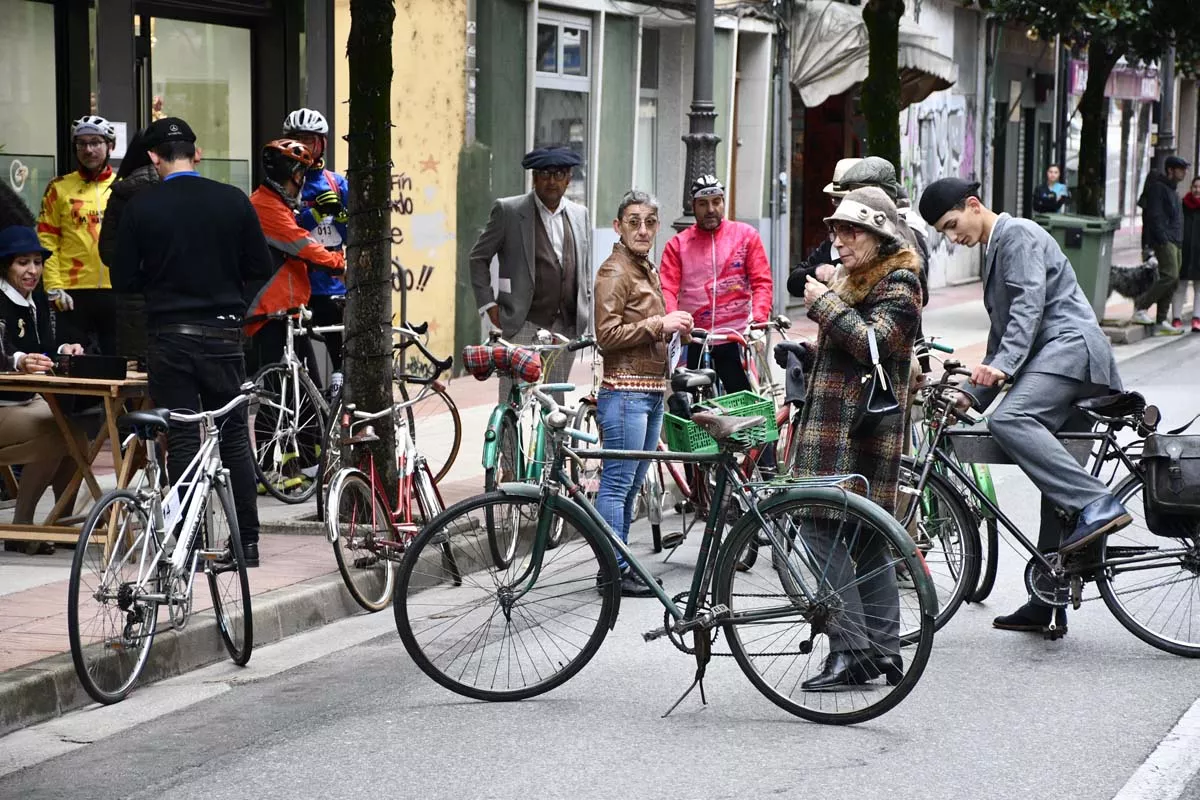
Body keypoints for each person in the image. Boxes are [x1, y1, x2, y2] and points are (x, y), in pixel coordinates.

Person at [919, 177, 1129, 634]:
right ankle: (1044, 599)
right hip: (1065, 361)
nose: (953, 238)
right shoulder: (999, 247)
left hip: (1070, 351)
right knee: (1054, 488)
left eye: (952, 225)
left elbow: (1028, 309)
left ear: (974, 205)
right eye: (944, 232)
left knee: (1012, 421)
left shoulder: (1017, 235)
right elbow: (1000, 338)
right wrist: (972, 395)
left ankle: (1098, 503)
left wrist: (1005, 368)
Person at [112, 117, 274, 567]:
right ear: (195, 154)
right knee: (234, 437)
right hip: (223, 333)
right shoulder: (232, 200)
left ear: (152, 157)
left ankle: (188, 542)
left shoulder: (141, 207)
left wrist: (160, 283)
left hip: (170, 336)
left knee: (182, 437)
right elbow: (259, 264)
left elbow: (123, 278)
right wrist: (230, 296)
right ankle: (248, 544)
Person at [793, 186, 922, 690]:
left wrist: (825, 306)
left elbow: (874, 343)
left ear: (878, 235)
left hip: (860, 431)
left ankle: (851, 650)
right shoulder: (856, 278)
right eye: (837, 232)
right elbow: (851, 347)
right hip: (840, 425)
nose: (838, 243)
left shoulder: (901, 282)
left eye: (850, 233)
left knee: (820, 527)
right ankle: (884, 651)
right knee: (864, 536)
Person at [593, 191, 692, 597]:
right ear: (618, 226)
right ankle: (612, 570)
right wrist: (659, 324)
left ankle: (619, 565)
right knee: (617, 485)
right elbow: (606, 335)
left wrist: (673, 329)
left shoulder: (642, 267)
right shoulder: (615, 270)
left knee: (631, 485)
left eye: (650, 221)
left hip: (648, 392)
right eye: (633, 221)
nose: (643, 229)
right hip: (625, 392)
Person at [468, 146, 593, 404]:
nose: (551, 181)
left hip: (565, 326)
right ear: (534, 177)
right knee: (512, 401)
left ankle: (552, 447)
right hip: (522, 322)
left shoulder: (580, 214)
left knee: (555, 401)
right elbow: (478, 258)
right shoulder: (509, 211)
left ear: (569, 178)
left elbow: (585, 268)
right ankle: (507, 445)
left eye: (558, 174)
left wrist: (586, 305)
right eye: (544, 174)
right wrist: (489, 306)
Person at [0, 216, 87, 552]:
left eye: (36, 262)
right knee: (55, 431)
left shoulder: (37, 303)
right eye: (23, 263)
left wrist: (65, 350)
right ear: (6, 267)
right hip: (5, 404)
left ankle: (59, 521)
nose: (32, 270)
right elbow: (9, 355)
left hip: (27, 401)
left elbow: (47, 350)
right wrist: (18, 361)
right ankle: (22, 527)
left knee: (78, 435)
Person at [660, 175, 773, 392]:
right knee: (689, 407)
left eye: (716, 201)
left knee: (743, 405)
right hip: (692, 339)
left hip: (735, 336)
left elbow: (762, 282)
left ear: (723, 202)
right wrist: (674, 323)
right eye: (703, 204)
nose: (710, 209)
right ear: (693, 206)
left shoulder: (747, 236)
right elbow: (667, 288)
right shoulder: (678, 244)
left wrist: (758, 320)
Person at [244, 139, 346, 374]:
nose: (304, 181)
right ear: (294, 176)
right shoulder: (266, 207)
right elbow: (304, 246)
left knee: (299, 399)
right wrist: (341, 267)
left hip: (284, 312)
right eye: (302, 173)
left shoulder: (276, 203)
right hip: (269, 314)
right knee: (286, 399)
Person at [36, 116, 119, 356]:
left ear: (110, 145)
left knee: (118, 363)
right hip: (72, 292)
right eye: (81, 144)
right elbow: (47, 239)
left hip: (116, 290)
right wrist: (53, 285)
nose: (88, 149)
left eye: (95, 142)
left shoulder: (123, 187)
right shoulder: (59, 187)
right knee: (73, 364)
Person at [282, 108, 348, 384]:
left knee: (340, 355)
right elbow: (286, 231)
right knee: (298, 355)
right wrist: (316, 213)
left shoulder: (337, 182)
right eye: (297, 139)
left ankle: (340, 406)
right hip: (297, 281)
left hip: (331, 283)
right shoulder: (287, 184)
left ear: (322, 144)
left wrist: (341, 215)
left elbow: (350, 231)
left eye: (310, 140)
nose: (304, 146)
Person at [98, 128, 159, 367]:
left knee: (134, 374)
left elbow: (107, 250)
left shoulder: (121, 193)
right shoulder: (176, 191)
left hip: (130, 299)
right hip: (172, 301)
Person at [785, 157, 862, 295]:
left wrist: (827, 306)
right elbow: (793, 283)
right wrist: (818, 271)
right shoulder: (830, 246)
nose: (838, 207)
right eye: (835, 199)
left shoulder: (890, 249)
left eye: (843, 199)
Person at [1132, 155, 1189, 336]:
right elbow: (1154, 216)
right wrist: (1163, 239)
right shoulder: (1159, 188)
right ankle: (1141, 307)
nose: (1184, 172)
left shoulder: (1174, 191)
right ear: (1170, 170)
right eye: (1180, 169)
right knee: (1169, 274)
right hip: (1166, 240)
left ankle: (1161, 320)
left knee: (1173, 280)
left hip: (1176, 240)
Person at [1171, 175, 1200, 332]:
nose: (1197, 190)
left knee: (1199, 287)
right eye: (1195, 187)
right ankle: (1176, 317)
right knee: (1180, 285)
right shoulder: (1183, 205)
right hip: (1184, 251)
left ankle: (1197, 318)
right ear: (1191, 188)